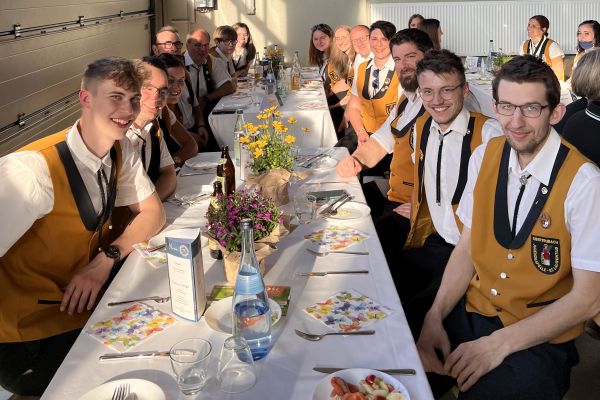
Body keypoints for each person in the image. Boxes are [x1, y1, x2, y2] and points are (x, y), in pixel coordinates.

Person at [417, 55, 600, 399]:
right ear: (495, 106)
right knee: (395, 357)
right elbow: (467, 248)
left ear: (555, 113)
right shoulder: (484, 156)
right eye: (506, 107)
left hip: (538, 336)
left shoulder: (585, 182)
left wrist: (496, 345)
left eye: (531, 108)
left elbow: (588, 299)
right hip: (473, 310)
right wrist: (435, 316)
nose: (516, 122)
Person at [0, 56, 165, 396]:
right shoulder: (31, 171)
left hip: (82, 310)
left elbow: (153, 213)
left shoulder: (120, 149)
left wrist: (105, 260)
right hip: (26, 337)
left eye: (134, 99)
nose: (127, 110)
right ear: (85, 99)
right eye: (115, 97)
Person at [398, 49, 502, 341]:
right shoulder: (422, 127)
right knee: (382, 284)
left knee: (409, 322)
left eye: (447, 90)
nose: (437, 100)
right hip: (434, 241)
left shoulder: (490, 136)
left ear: (465, 90)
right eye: (428, 91)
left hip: (474, 258)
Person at [336, 28, 434, 264]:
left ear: (429, 56)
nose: (403, 65)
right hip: (397, 196)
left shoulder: (441, 104)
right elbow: (381, 140)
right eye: (397, 59)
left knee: (358, 251)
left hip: (419, 210)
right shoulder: (407, 99)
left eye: (411, 57)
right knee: (343, 218)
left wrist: (426, 205)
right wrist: (356, 161)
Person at [126, 57, 177, 201]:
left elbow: (169, 174)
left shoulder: (153, 128)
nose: (156, 98)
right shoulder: (114, 135)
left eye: (162, 91)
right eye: (148, 88)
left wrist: (151, 207)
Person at [152, 26, 209, 150]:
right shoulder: (154, 82)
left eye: (177, 44)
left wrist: (201, 126)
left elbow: (195, 104)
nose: (174, 48)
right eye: (168, 44)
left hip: (192, 131)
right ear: (155, 49)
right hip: (172, 139)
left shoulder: (184, 73)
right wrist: (189, 137)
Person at [347, 20, 399, 148]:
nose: (379, 44)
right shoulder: (362, 68)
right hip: (364, 133)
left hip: (391, 140)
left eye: (384, 39)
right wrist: (361, 132)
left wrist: (376, 142)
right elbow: (353, 107)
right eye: (374, 39)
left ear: (393, 42)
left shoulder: (400, 71)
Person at [184, 28, 235, 151]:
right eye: (197, 45)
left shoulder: (211, 61)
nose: (203, 49)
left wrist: (206, 98)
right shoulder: (179, 65)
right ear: (187, 45)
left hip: (205, 115)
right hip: (185, 120)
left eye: (206, 45)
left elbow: (229, 86)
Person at [155, 53, 198, 167]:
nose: (177, 86)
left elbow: (191, 145)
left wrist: (173, 163)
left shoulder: (165, 111)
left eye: (181, 81)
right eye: (170, 81)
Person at [327, 25, 356, 134]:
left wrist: (333, 107)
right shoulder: (346, 59)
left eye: (344, 37)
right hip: (348, 101)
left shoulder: (358, 60)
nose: (340, 41)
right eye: (337, 38)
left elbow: (353, 95)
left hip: (356, 108)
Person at [519, 15, 565, 81]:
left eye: (533, 26)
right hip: (529, 82)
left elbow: (558, 73)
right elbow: (521, 66)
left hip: (549, 83)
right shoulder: (524, 44)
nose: (529, 28)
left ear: (543, 29)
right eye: (529, 25)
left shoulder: (552, 46)